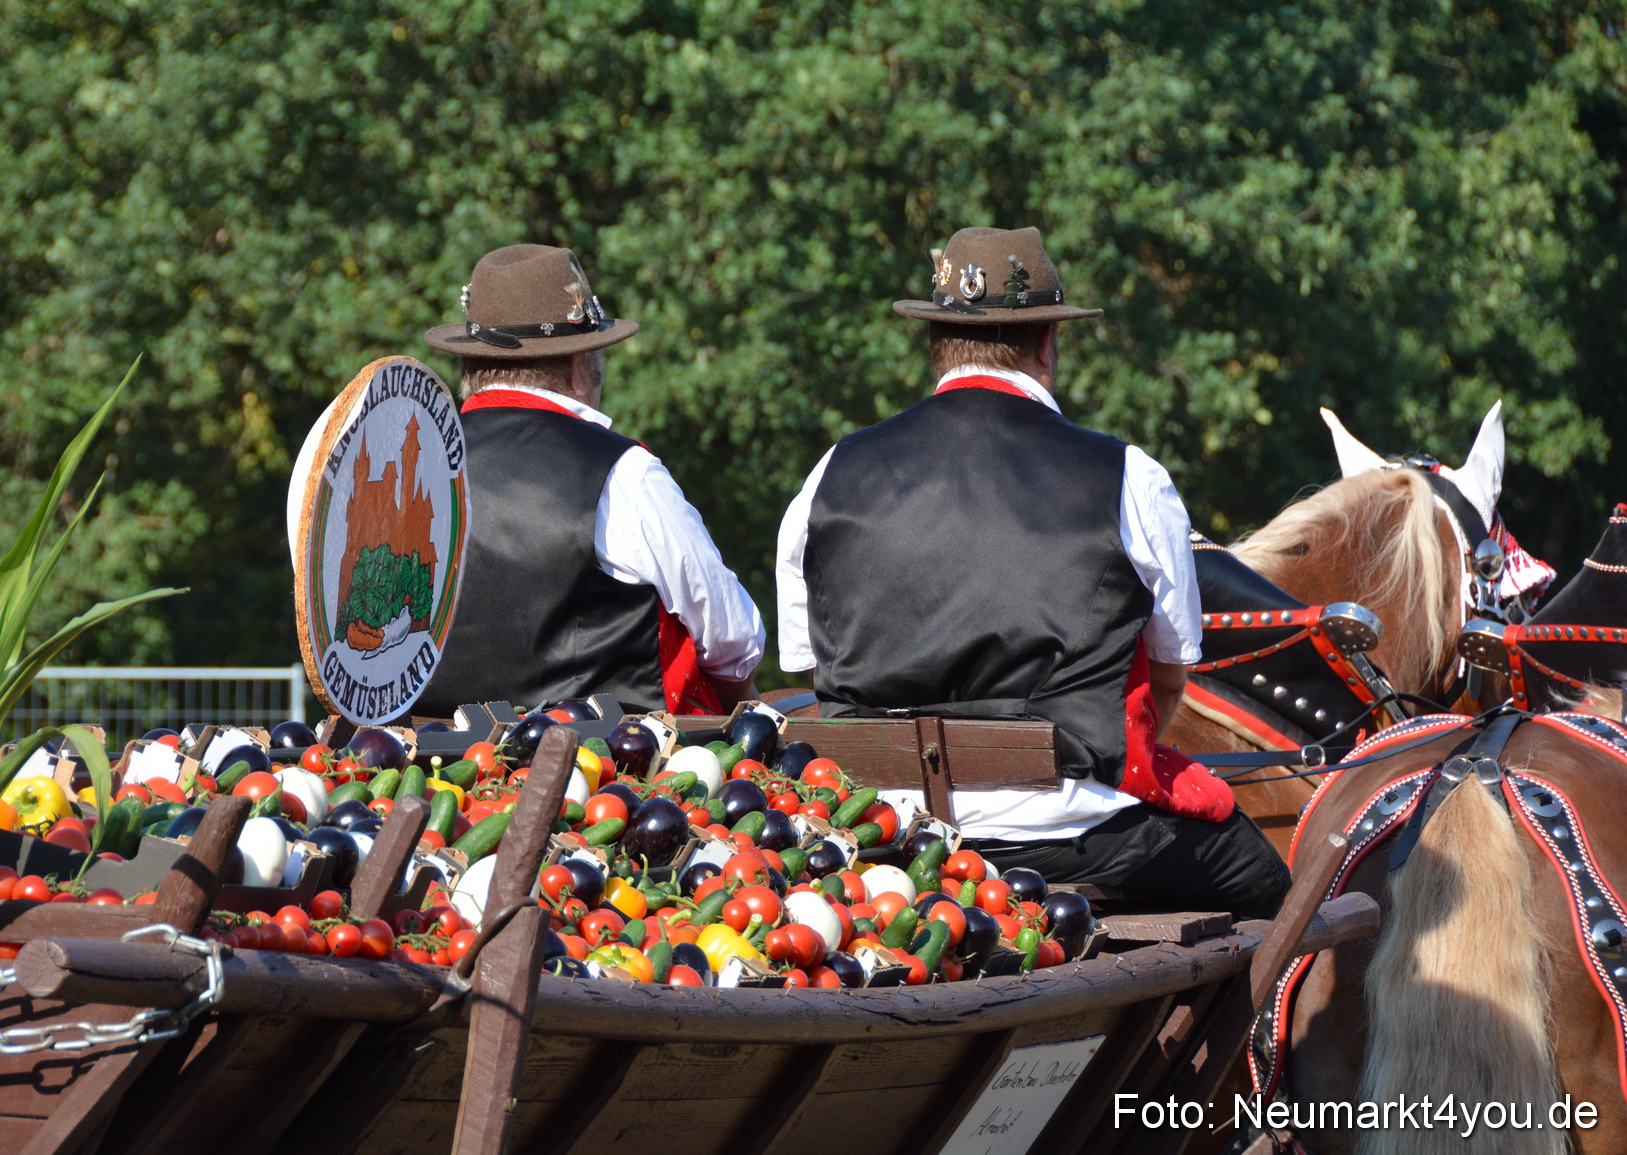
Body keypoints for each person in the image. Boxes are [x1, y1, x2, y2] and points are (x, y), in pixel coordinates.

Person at [775, 226, 1288, 918]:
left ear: (936, 345)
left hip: (880, 835)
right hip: (1063, 832)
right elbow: (1171, 673)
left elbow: (814, 671)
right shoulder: (1129, 476)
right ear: (1048, 342)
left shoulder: (827, 475)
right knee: (1269, 885)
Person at [412, 243, 764, 718]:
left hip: (440, 769)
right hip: (612, 774)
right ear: (580, 368)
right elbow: (731, 639)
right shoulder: (622, 471)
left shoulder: (411, 467)